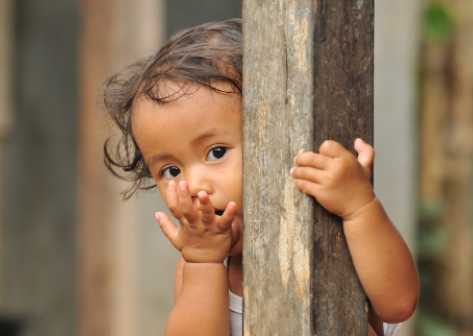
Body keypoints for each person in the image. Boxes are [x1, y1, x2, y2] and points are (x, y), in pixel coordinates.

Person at [101, 19, 419, 336]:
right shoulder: (197, 267)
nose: (194, 185)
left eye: (216, 152)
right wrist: (203, 263)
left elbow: (398, 304)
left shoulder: (335, 227)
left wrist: (359, 207)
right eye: (171, 171)